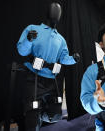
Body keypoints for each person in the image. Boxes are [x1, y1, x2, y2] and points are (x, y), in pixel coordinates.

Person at [16, 2, 79, 131]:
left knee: (55, 115)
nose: (56, 13)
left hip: (52, 80)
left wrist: (73, 59)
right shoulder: (33, 29)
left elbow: (63, 58)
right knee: (32, 119)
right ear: (48, 13)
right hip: (34, 77)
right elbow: (22, 51)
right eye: (54, 10)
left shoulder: (61, 39)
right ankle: (33, 116)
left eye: (59, 11)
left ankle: (38, 115)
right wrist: (28, 40)